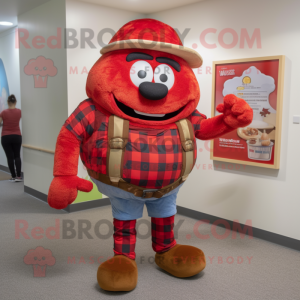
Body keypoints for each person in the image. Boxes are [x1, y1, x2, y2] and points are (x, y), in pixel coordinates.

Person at [0, 94, 22, 182]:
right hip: (17, 136)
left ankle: (13, 176)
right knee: (17, 155)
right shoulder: (20, 112)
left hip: (6, 137)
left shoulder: (3, 112)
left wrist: (5, 124)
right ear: (15, 102)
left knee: (10, 157)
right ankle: (19, 176)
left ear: (8, 102)